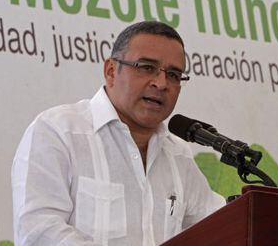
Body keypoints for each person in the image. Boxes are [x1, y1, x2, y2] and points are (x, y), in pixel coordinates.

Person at [12, 21, 225, 246]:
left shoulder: (178, 154)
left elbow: (221, 226)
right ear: (111, 71)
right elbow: (38, 232)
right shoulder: (58, 132)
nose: (161, 83)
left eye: (173, 74)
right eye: (146, 67)